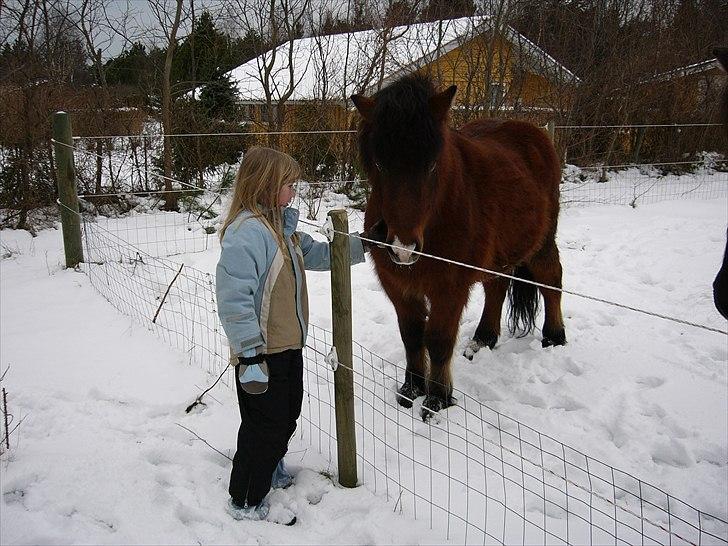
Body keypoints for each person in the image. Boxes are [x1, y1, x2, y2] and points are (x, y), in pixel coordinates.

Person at [215, 146, 367, 525]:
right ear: (265, 186)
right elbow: (234, 299)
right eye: (288, 184)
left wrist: (369, 242)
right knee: (263, 426)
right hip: (260, 353)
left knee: (286, 416)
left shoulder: (283, 230)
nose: (294, 191)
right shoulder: (248, 233)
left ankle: (270, 469)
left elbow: (318, 254)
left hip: (287, 347)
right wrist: (249, 354)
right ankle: (245, 498)